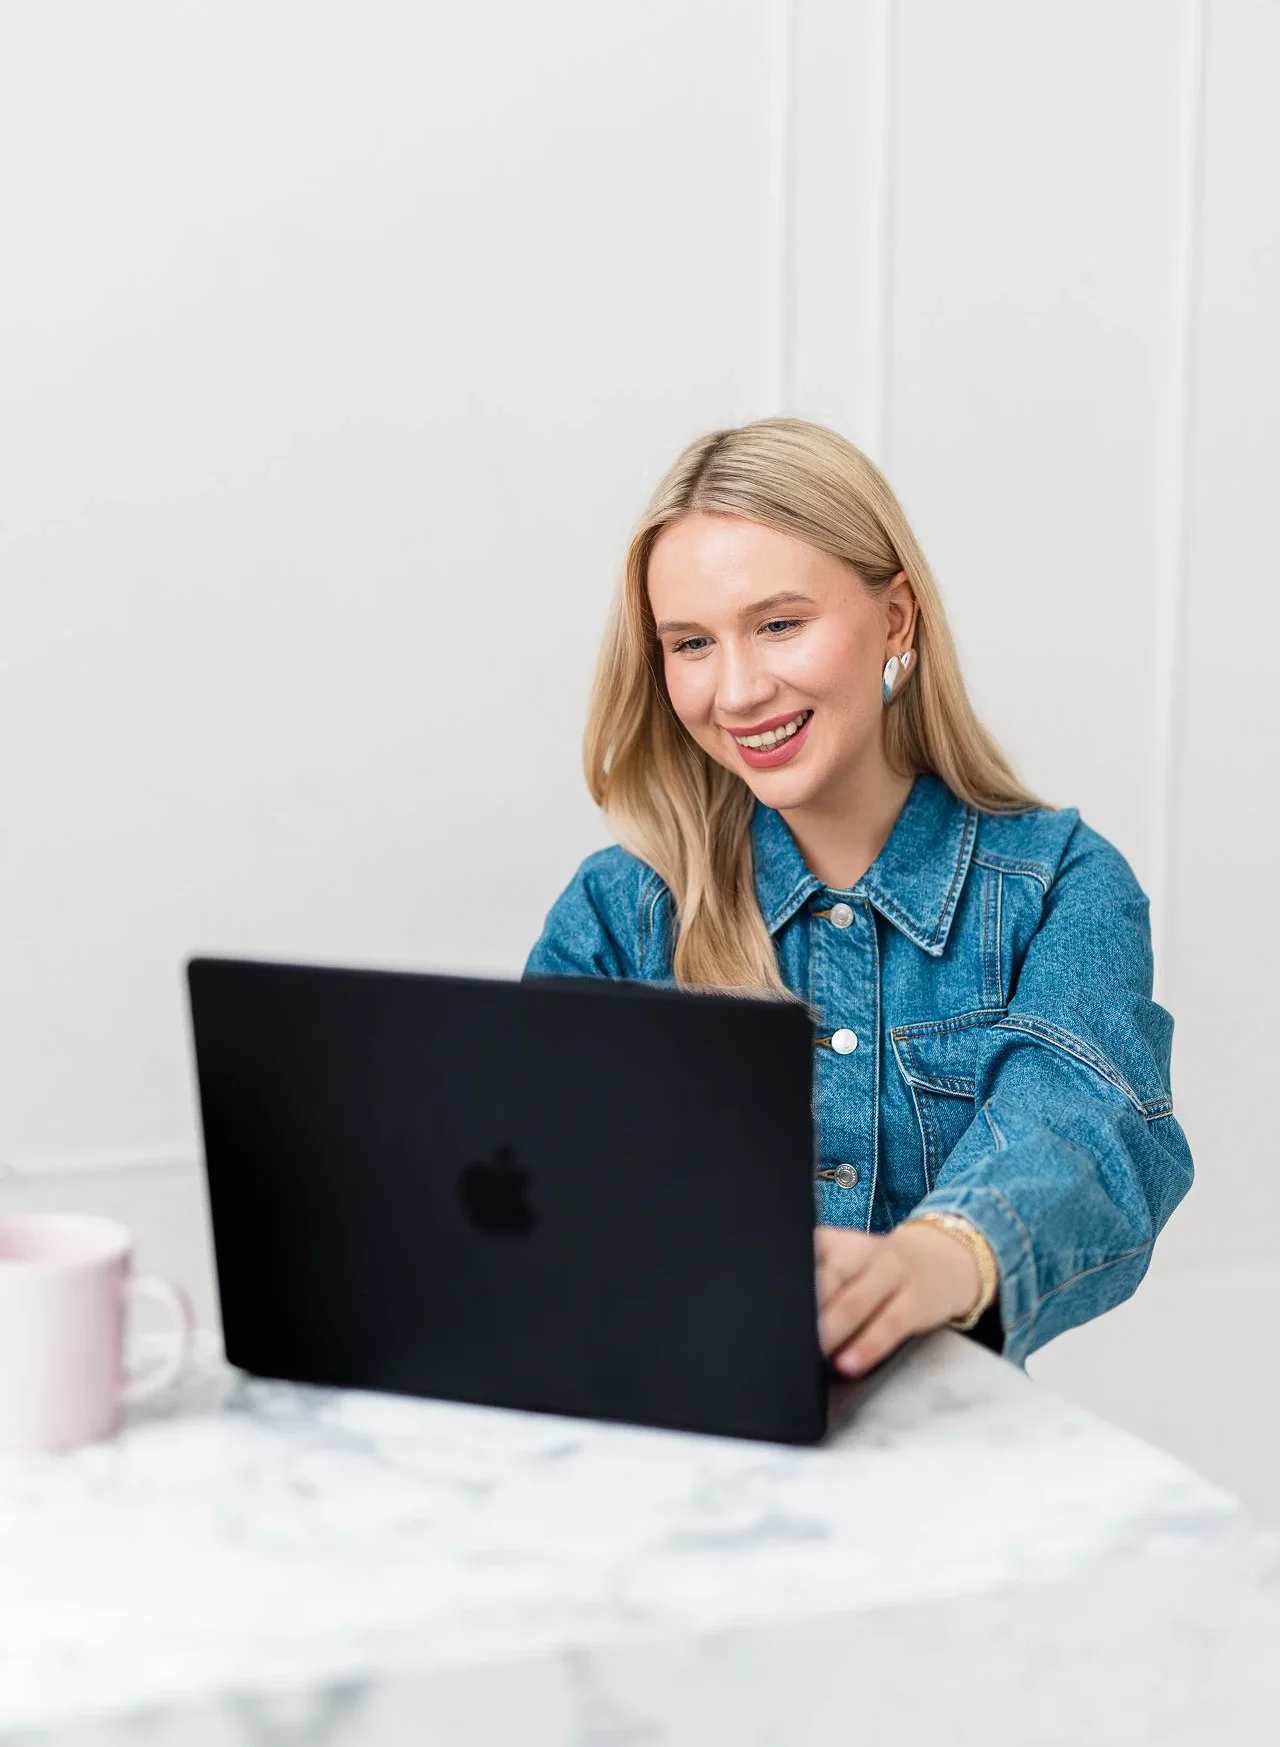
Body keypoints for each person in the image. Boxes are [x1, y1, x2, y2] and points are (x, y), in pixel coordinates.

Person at [525, 418, 1192, 1375]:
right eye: (690, 643)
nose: (738, 690)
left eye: (779, 623)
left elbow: (1088, 1118)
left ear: (896, 617)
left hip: (937, 1469)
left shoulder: (1062, 885)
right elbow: (536, 1186)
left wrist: (942, 1255)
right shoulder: (617, 913)